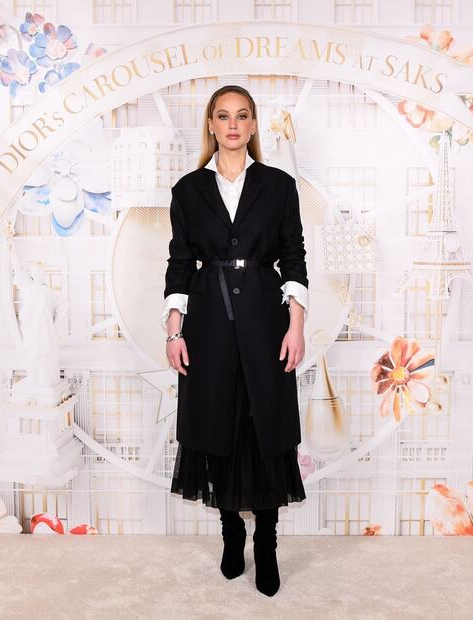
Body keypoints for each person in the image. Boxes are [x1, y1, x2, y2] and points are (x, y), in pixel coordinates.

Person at [163, 85, 308, 597]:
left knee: (265, 423)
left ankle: (266, 541)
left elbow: (294, 255)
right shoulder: (187, 190)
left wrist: (296, 325)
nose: (232, 124)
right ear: (210, 123)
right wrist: (174, 329)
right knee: (216, 422)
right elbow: (181, 261)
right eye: (223, 116)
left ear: (252, 125)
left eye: (242, 116)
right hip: (207, 320)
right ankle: (231, 534)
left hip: (266, 318)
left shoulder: (278, 185)